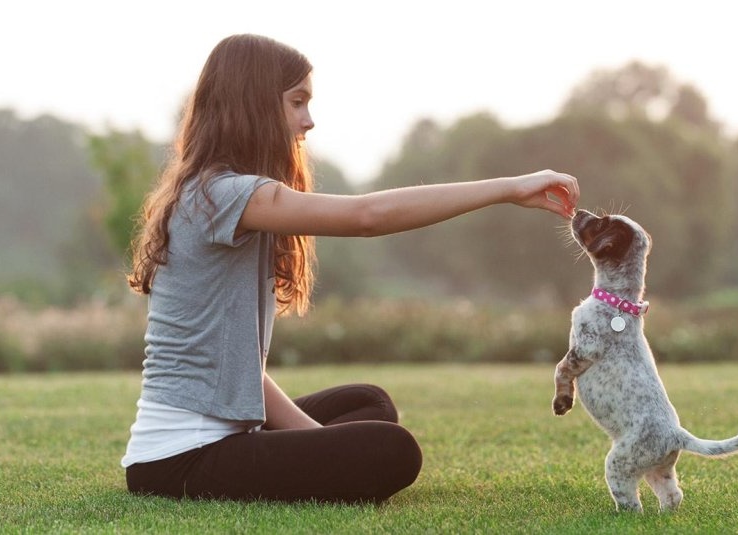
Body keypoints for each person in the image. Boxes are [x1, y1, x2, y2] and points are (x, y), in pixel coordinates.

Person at [120, 33, 579, 504]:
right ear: (254, 104)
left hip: (220, 437)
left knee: (369, 404)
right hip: (182, 457)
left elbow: (242, 372)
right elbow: (367, 217)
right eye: (296, 102)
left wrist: (316, 442)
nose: (309, 120)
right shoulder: (222, 194)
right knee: (391, 449)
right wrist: (509, 188)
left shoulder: (217, 191)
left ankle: (323, 459)